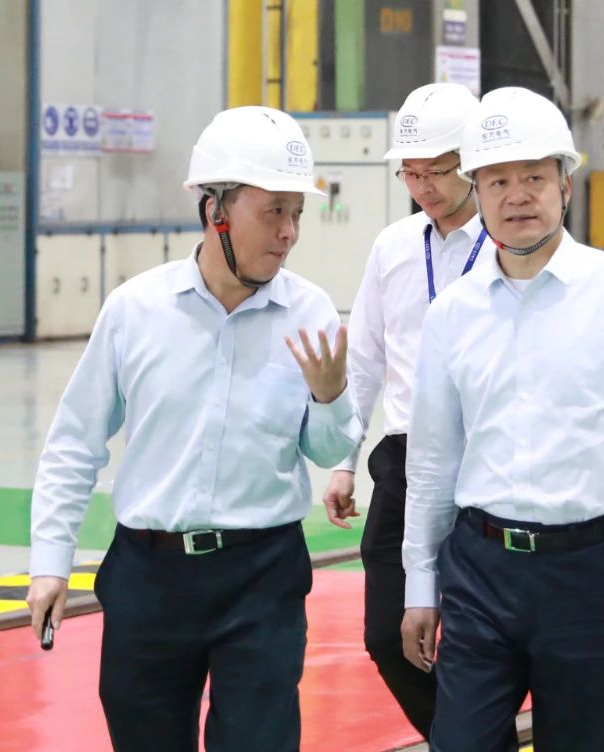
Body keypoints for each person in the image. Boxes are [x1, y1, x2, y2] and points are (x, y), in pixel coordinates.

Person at [25, 106, 362, 752]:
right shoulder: (136, 311)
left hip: (263, 577)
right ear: (216, 211)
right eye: (275, 211)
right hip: (149, 578)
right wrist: (50, 563)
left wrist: (330, 397)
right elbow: (74, 443)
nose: (289, 232)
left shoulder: (310, 312)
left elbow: (325, 450)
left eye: (297, 213)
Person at [400, 87, 604, 750]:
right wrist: (420, 584)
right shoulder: (453, 314)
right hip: (480, 570)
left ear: (565, 184)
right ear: (477, 192)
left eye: (533, 177)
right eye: (498, 180)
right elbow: (433, 460)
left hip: (589, 576)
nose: (517, 196)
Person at [319, 82, 485, 738]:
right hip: (406, 460)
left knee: (477, 641)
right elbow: (363, 361)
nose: (422, 186)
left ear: (471, 162)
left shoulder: (508, 246)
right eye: (410, 173)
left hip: (483, 464)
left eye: (436, 170)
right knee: (388, 634)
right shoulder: (393, 247)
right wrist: (343, 463)